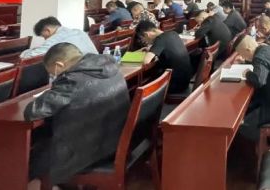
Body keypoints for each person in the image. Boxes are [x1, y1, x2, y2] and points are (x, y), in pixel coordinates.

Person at [24, 43, 130, 185]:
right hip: (113, 141)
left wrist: (52, 90)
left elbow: (33, 111)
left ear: (59, 65)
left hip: (89, 153)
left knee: (25, 159)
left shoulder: (71, 80)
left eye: (53, 73)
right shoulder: (110, 66)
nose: (54, 77)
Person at [134, 20, 193, 94]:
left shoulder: (160, 39)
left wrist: (138, 56)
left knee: (146, 81)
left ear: (146, 34)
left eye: (143, 39)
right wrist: (151, 50)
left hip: (174, 85)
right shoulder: (173, 33)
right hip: (185, 81)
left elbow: (146, 61)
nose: (146, 42)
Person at [21, 17, 97, 59]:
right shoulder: (79, 31)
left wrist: (24, 53)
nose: (45, 39)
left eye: (44, 36)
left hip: (81, 74)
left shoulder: (55, 39)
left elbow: (30, 56)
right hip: (98, 68)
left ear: (47, 30)